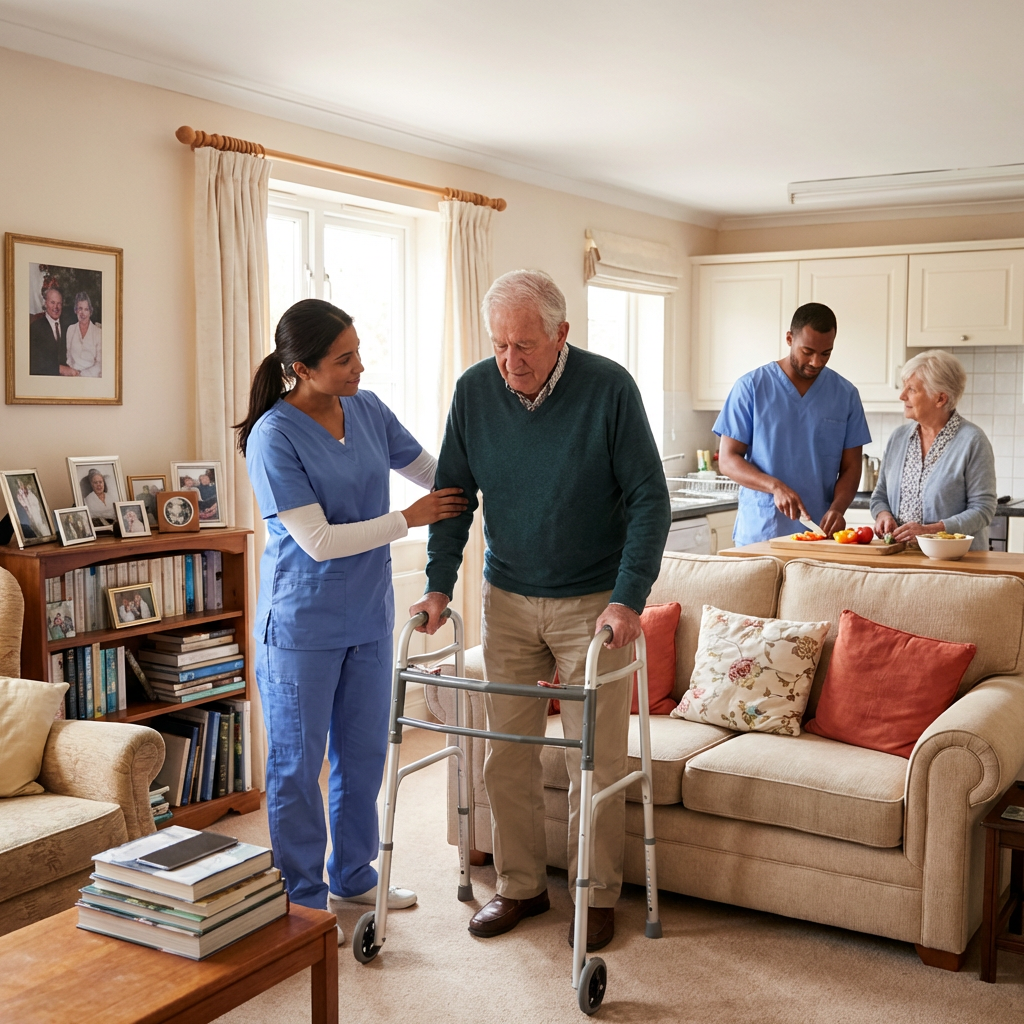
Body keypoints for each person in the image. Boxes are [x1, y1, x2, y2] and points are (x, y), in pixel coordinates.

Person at [412, 269, 670, 952]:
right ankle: (520, 887)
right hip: (507, 599)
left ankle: (595, 894)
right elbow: (452, 498)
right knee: (506, 756)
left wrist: (627, 597)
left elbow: (650, 499)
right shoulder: (474, 392)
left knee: (597, 759)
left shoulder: (609, 388)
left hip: (593, 605)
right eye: (499, 345)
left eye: (524, 345)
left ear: (561, 334)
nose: (510, 362)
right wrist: (440, 584)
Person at [237, 297, 468, 944]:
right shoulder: (274, 437)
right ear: (303, 368)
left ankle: (354, 876)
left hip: (367, 615)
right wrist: (410, 520)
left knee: (363, 755)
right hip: (302, 624)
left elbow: (431, 472)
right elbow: (316, 540)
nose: (359, 367)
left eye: (359, 351)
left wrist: (493, 482)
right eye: (344, 359)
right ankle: (303, 899)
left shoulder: (366, 409)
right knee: (296, 765)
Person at [715, 302, 871, 543]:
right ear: (789, 338)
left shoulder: (845, 394)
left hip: (818, 533)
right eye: (807, 351)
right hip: (761, 533)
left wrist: (838, 508)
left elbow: (851, 467)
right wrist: (774, 486)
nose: (816, 362)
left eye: (825, 353)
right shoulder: (751, 387)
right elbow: (727, 460)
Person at [871, 350, 996, 550]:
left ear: (940, 399)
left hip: (955, 562)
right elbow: (880, 495)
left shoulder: (973, 441)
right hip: (901, 559)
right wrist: (883, 515)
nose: (902, 396)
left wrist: (934, 530)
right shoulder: (898, 438)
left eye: (911, 389)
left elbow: (983, 510)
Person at [28, 285, 77, 377]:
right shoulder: (35, 327)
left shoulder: (68, 326)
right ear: (45, 303)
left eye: (59, 303)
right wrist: (60, 369)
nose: (56, 307)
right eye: (52, 302)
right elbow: (33, 362)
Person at [65, 291, 102, 377]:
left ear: (90, 311)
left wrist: (82, 375)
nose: (83, 313)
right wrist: (73, 373)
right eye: (80, 309)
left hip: (92, 377)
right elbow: (69, 358)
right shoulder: (70, 329)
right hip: (73, 376)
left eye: (86, 309)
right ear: (75, 310)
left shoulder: (98, 333)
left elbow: (100, 363)